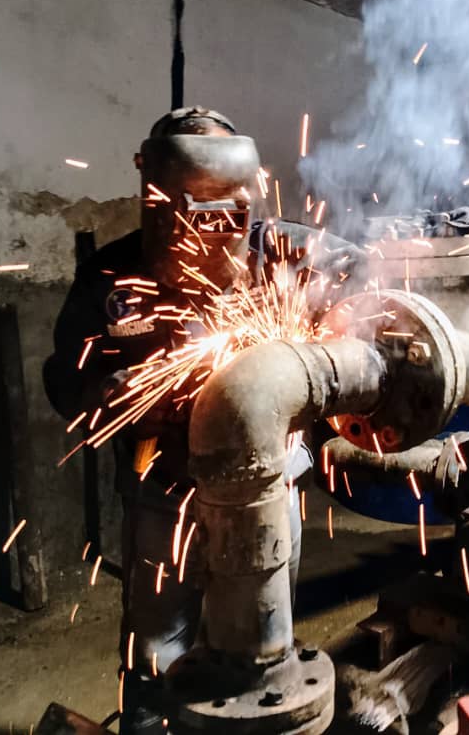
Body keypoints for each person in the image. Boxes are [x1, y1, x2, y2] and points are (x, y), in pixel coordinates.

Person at [43, 106, 358, 729]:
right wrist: (105, 394)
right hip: (165, 494)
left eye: (227, 212)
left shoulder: (286, 250)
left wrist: (345, 315)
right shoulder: (111, 273)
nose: (210, 234)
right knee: (159, 652)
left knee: (265, 645)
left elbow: (365, 281)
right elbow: (64, 376)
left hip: (270, 488)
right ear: (157, 197)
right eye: (194, 213)